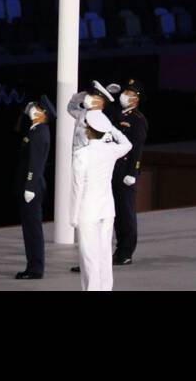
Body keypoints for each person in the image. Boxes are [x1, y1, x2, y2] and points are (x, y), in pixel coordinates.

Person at [69, 108, 131, 292]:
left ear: (88, 129)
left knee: (89, 257)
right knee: (104, 255)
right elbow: (128, 144)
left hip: (88, 210)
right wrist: (112, 129)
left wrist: (73, 216)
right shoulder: (110, 150)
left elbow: (76, 188)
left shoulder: (82, 155)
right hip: (107, 209)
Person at [14, 94, 54, 280]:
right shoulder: (34, 129)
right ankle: (32, 266)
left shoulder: (40, 133)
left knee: (33, 230)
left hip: (32, 187)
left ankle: (36, 268)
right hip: (29, 186)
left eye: (36, 107)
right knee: (29, 229)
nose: (32, 109)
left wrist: (29, 186)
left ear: (43, 113)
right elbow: (17, 129)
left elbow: (35, 164)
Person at [112, 79, 148, 266]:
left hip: (127, 171)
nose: (125, 96)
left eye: (130, 93)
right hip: (114, 169)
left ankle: (126, 252)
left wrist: (133, 172)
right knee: (116, 213)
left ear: (136, 98)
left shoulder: (138, 120)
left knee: (126, 212)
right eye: (125, 92)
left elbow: (137, 149)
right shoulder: (117, 115)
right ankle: (119, 249)